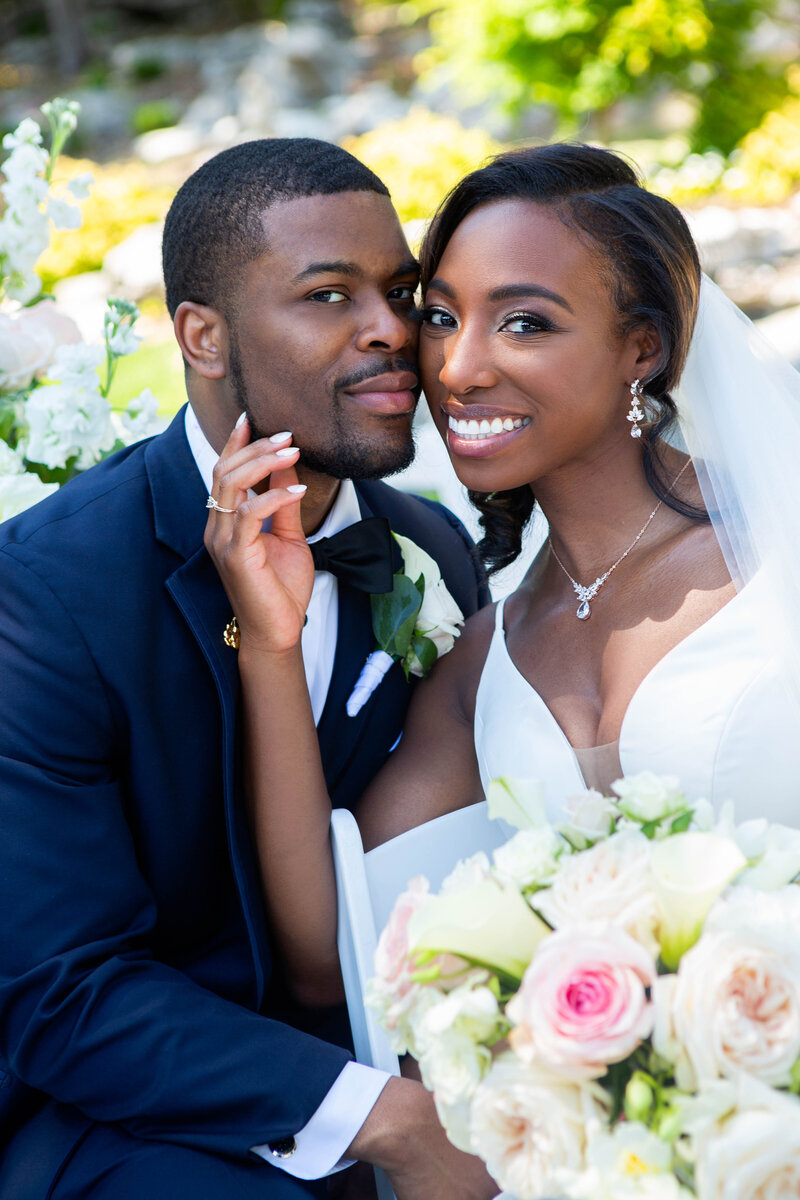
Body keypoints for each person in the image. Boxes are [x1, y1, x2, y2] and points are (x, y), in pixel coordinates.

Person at [0, 138, 494, 1200]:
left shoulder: (432, 552)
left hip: (427, 1069)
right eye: (328, 296)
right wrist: (385, 1120)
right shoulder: (45, 591)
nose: (389, 330)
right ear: (202, 335)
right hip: (136, 1126)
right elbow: (60, 991)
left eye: (400, 290)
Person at [206, 142, 800, 1017]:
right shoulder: (489, 655)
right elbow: (337, 954)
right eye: (440, 317)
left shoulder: (778, 554)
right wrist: (269, 645)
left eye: (523, 322)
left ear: (641, 347)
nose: (456, 370)